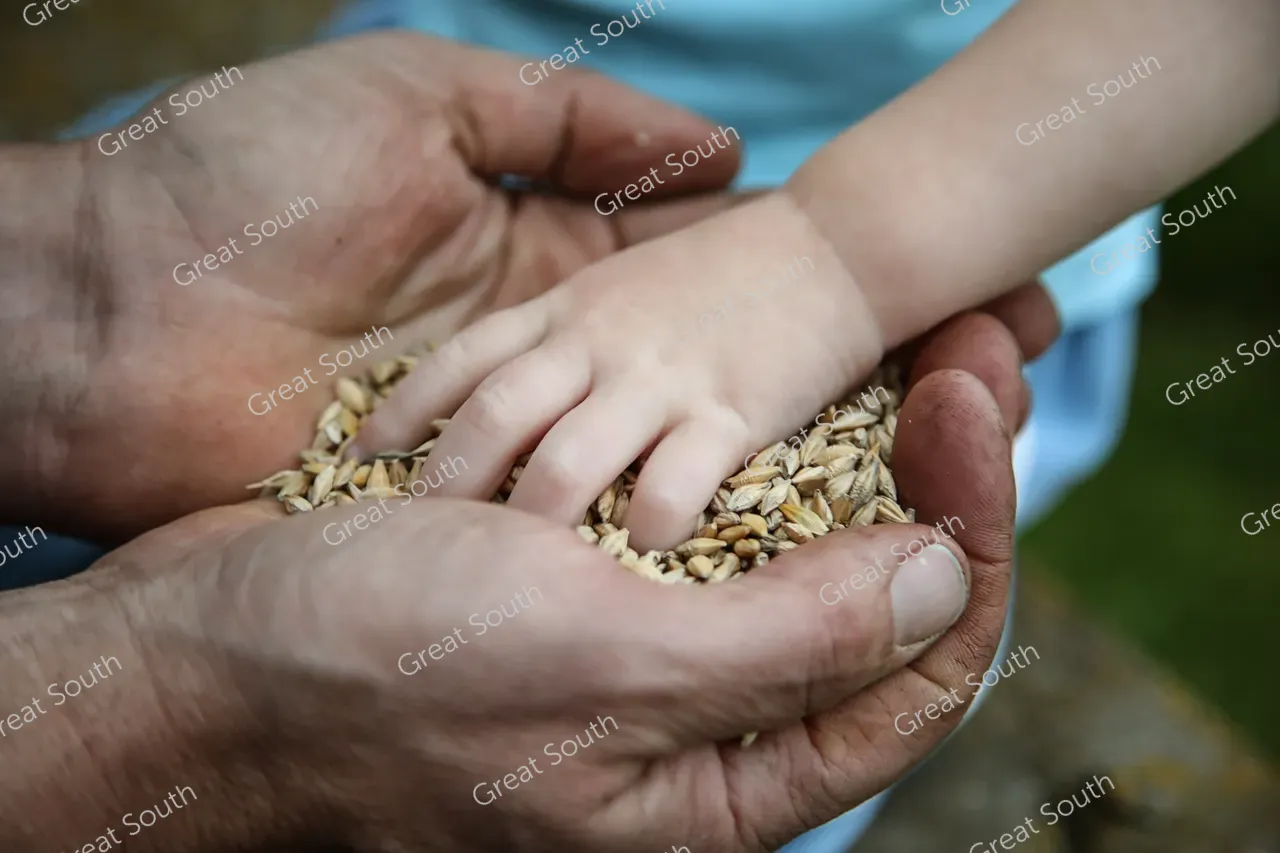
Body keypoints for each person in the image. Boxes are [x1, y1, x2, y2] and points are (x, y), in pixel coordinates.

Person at [0, 32, 1052, 851]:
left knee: (724, 697)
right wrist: (174, 710)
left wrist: (831, 258)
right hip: (500, 129)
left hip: (961, 211)